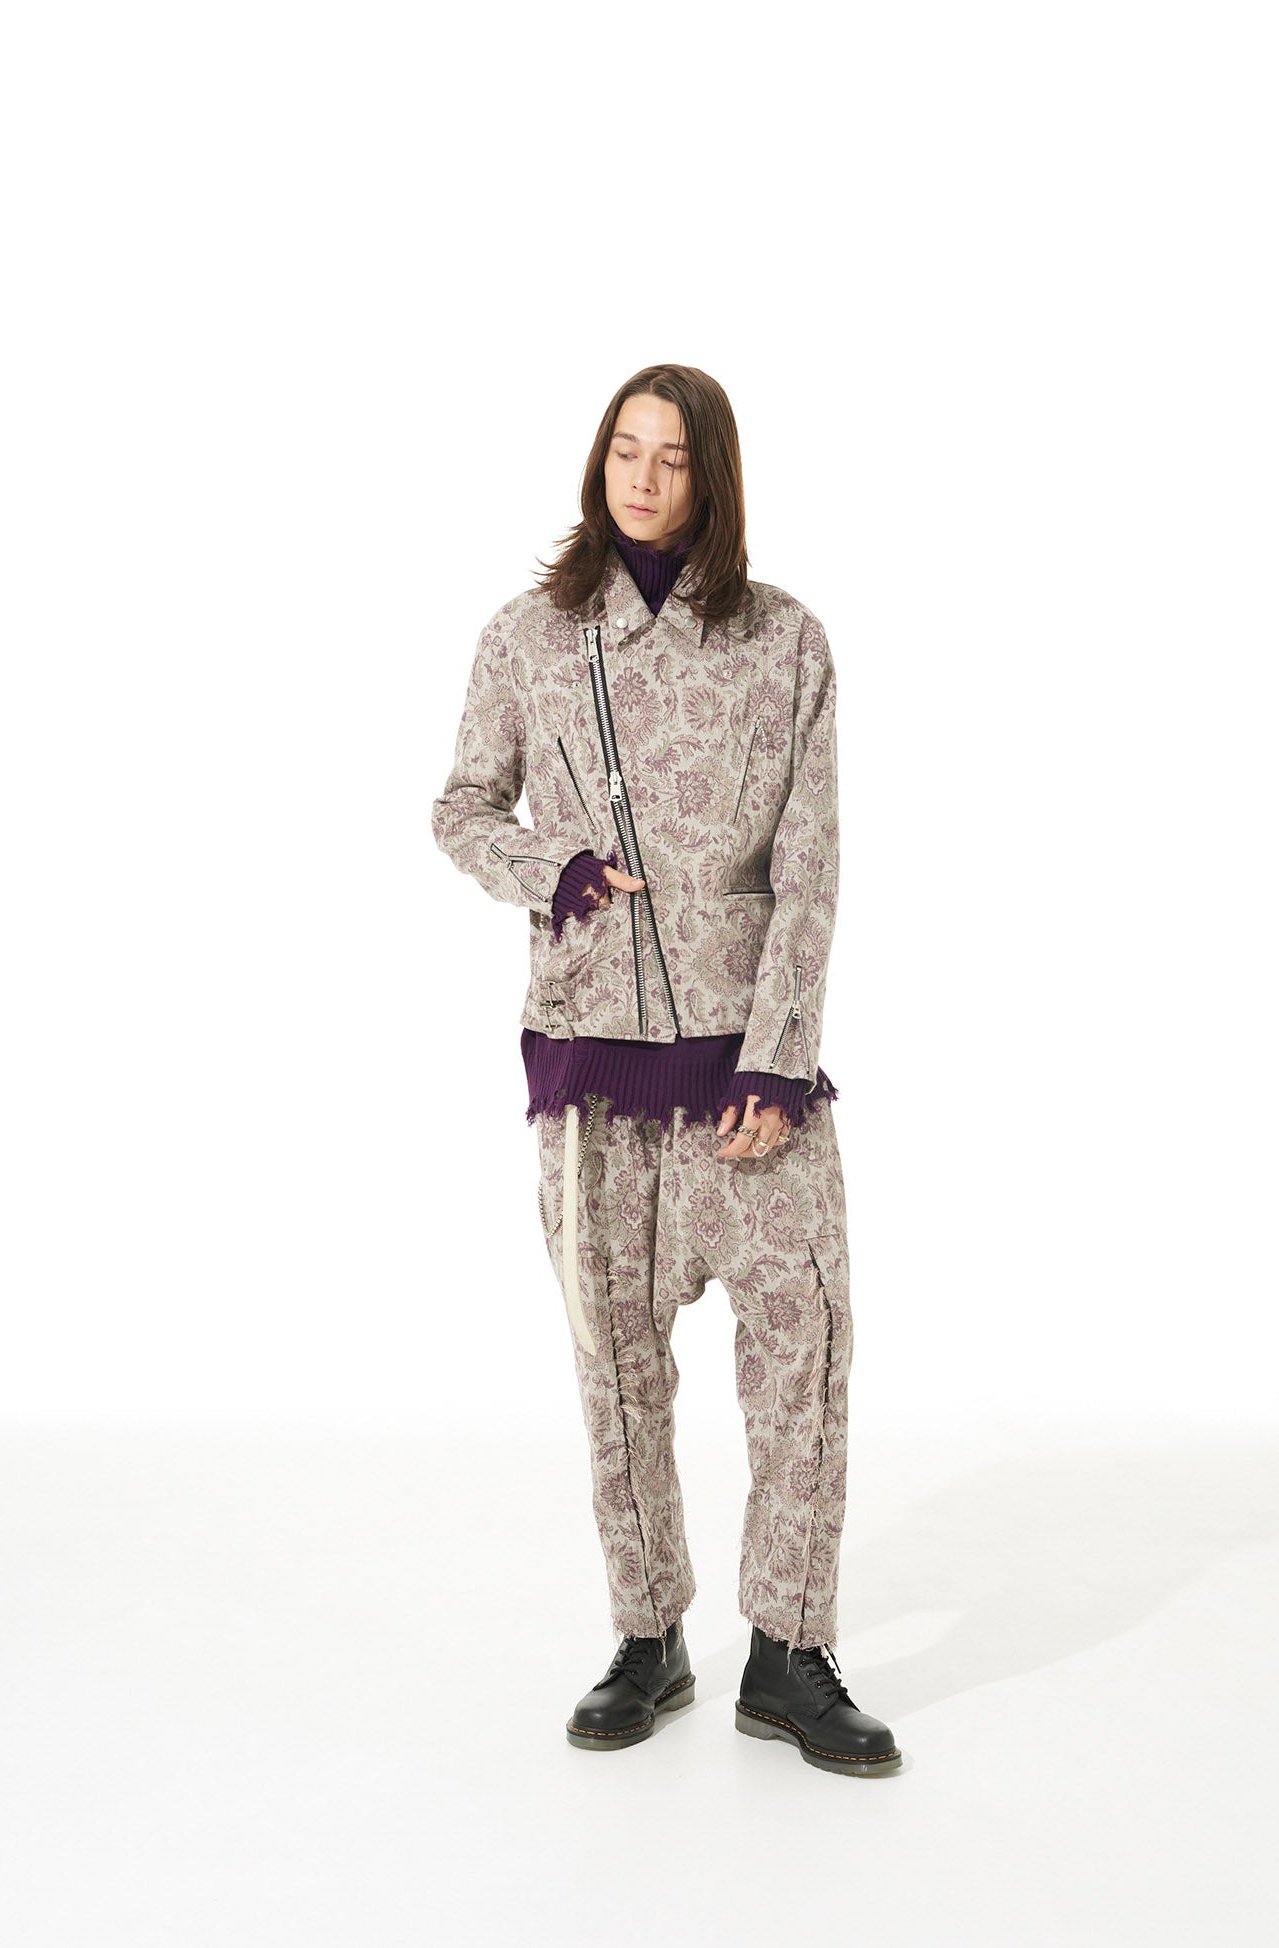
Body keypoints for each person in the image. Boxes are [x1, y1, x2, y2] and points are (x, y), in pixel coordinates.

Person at [431, 365, 902, 1777]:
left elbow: (812, 863)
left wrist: (782, 1059)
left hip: (752, 1077)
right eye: (624, 452)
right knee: (618, 1366)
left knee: (804, 1351)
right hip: (595, 1070)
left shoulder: (786, 640)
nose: (642, 479)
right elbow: (461, 809)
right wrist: (556, 870)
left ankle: (791, 1653)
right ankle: (648, 1638)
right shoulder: (530, 637)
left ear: (714, 477)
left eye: (673, 458)